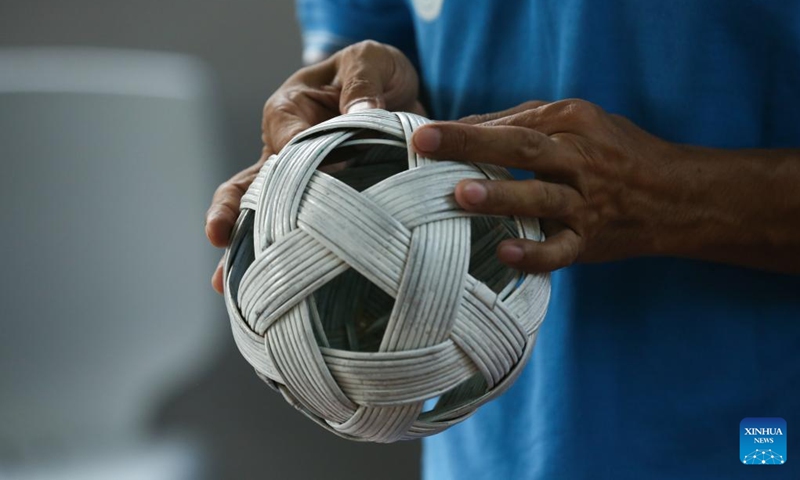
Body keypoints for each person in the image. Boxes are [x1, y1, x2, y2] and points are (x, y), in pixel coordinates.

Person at [205, 1, 800, 478]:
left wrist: (681, 196)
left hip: (754, 443)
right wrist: (354, 132)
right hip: (481, 433)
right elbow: (360, 46)